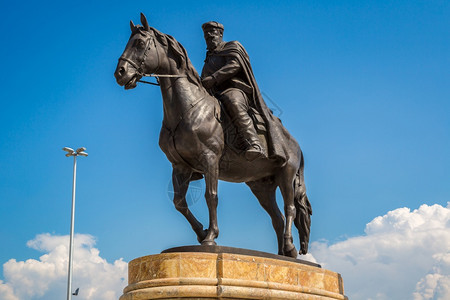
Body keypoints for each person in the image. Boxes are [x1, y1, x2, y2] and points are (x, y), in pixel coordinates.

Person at [201, 21, 264, 161]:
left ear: (220, 34)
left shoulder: (231, 46)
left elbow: (234, 65)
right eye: (206, 38)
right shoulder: (209, 59)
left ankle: (254, 142)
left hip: (234, 89)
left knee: (233, 102)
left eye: (211, 37)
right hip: (214, 95)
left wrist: (213, 78)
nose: (208, 40)